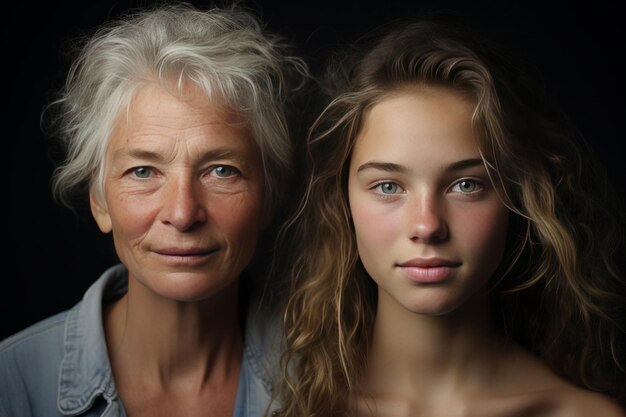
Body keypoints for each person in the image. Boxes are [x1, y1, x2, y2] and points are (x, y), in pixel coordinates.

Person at [273, 18, 626, 416]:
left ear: (516, 194)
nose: (427, 226)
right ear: (342, 201)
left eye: (466, 185)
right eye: (388, 186)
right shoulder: (294, 407)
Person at [0, 3, 308, 416]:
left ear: (267, 195)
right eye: (143, 171)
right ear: (98, 199)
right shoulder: (11, 381)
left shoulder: (332, 379)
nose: (182, 213)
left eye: (221, 170)